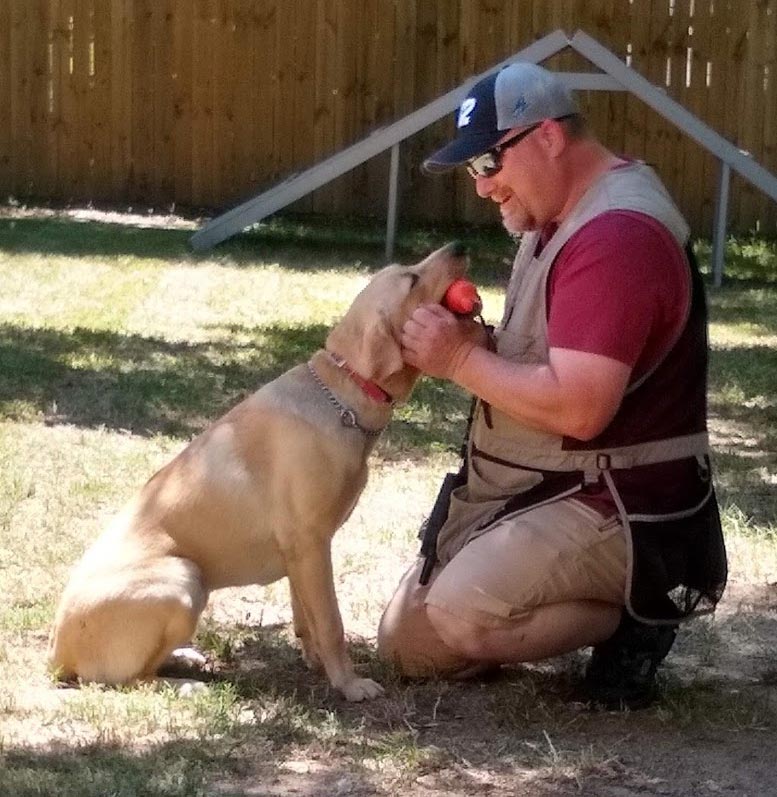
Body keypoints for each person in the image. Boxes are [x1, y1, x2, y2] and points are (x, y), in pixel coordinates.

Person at [377, 62, 728, 709]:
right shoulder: (558, 218)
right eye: (472, 170)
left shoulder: (614, 235)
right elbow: (552, 364)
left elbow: (581, 405)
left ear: (546, 137)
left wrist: (458, 358)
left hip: (619, 500)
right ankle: (560, 598)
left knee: (462, 612)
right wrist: (485, 348)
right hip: (553, 482)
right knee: (408, 645)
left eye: (486, 162)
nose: (481, 187)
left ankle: (636, 615)